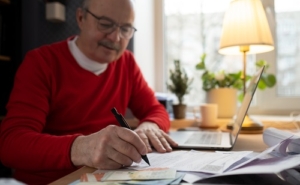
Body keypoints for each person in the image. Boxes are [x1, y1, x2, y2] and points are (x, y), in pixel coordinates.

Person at [0, 0, 178, 184]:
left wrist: (150, 126)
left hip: (106, 178)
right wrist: (82, 148)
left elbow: (155, 110)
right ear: (80, 18)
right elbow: (10, 144)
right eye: (105, 24)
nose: (115, 38)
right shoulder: (41, 63)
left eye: (125, 29)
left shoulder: (127, 63)